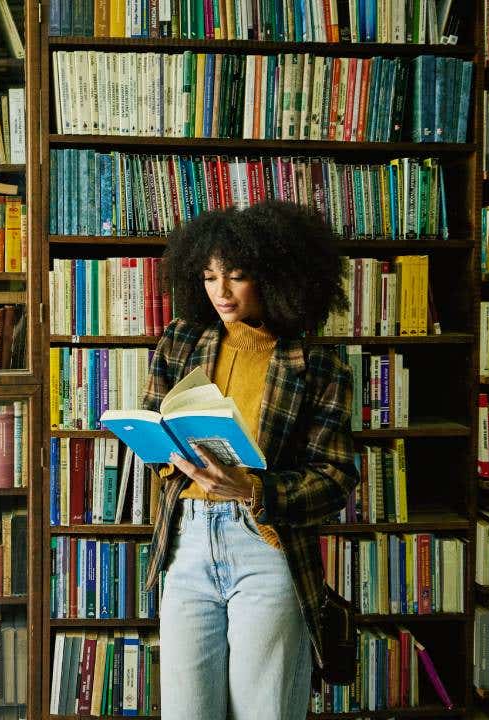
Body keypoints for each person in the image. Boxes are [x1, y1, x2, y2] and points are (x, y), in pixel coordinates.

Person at [142, 200, 360, 720]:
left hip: (265, 546)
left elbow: (335, 478)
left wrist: (252, 489)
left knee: (264, 710)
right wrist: (163, 451)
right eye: (210, 276)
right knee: (186, 712)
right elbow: (153, 421)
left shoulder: (318, 363)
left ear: (278, 276)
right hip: (187, 543)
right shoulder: (180, 339)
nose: (220, 291)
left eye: (237, 277)